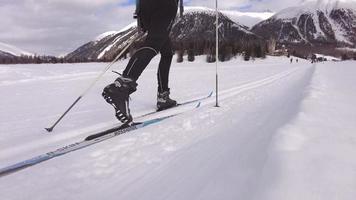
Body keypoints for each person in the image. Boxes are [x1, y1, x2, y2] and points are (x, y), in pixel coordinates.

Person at [102, 0, 181, 125]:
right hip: (165, 4)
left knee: (167, 52)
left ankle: (163, 96)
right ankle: (122, 86)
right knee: (154, 43)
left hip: (145, 7)